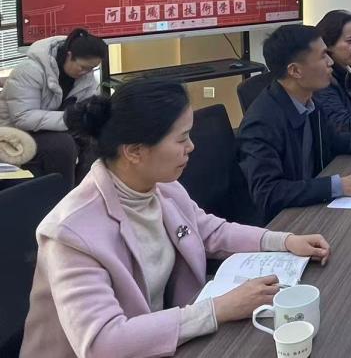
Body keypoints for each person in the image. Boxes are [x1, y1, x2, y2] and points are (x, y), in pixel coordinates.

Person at [20, 78, 332, 357]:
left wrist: (284, 241)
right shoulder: (71, 233)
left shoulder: (160, 187)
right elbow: (103, 343)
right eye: (181, 139)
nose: (192, 147)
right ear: (134, 151)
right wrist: (217, 310)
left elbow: (209, 231)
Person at [236, 24, 351, 223]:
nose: (330, 62)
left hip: (311, 206)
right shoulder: (261, 123)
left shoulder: (308, 100)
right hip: (284, 223)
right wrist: (340, 186)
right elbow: (268, 193)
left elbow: (332, 139)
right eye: (322, 56)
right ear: (295, 70)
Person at [0, 27, 106, 189]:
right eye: (83, 67)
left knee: (97, 139)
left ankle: (84, 192)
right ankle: (61, 197)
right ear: (69, 55)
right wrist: (69, 118)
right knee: (62, 145)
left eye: (92, 69)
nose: (87, 73)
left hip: (52, 128)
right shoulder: (30, 71)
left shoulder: (86, 77)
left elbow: (85, 108)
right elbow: (23, 118)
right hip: (15, 133)